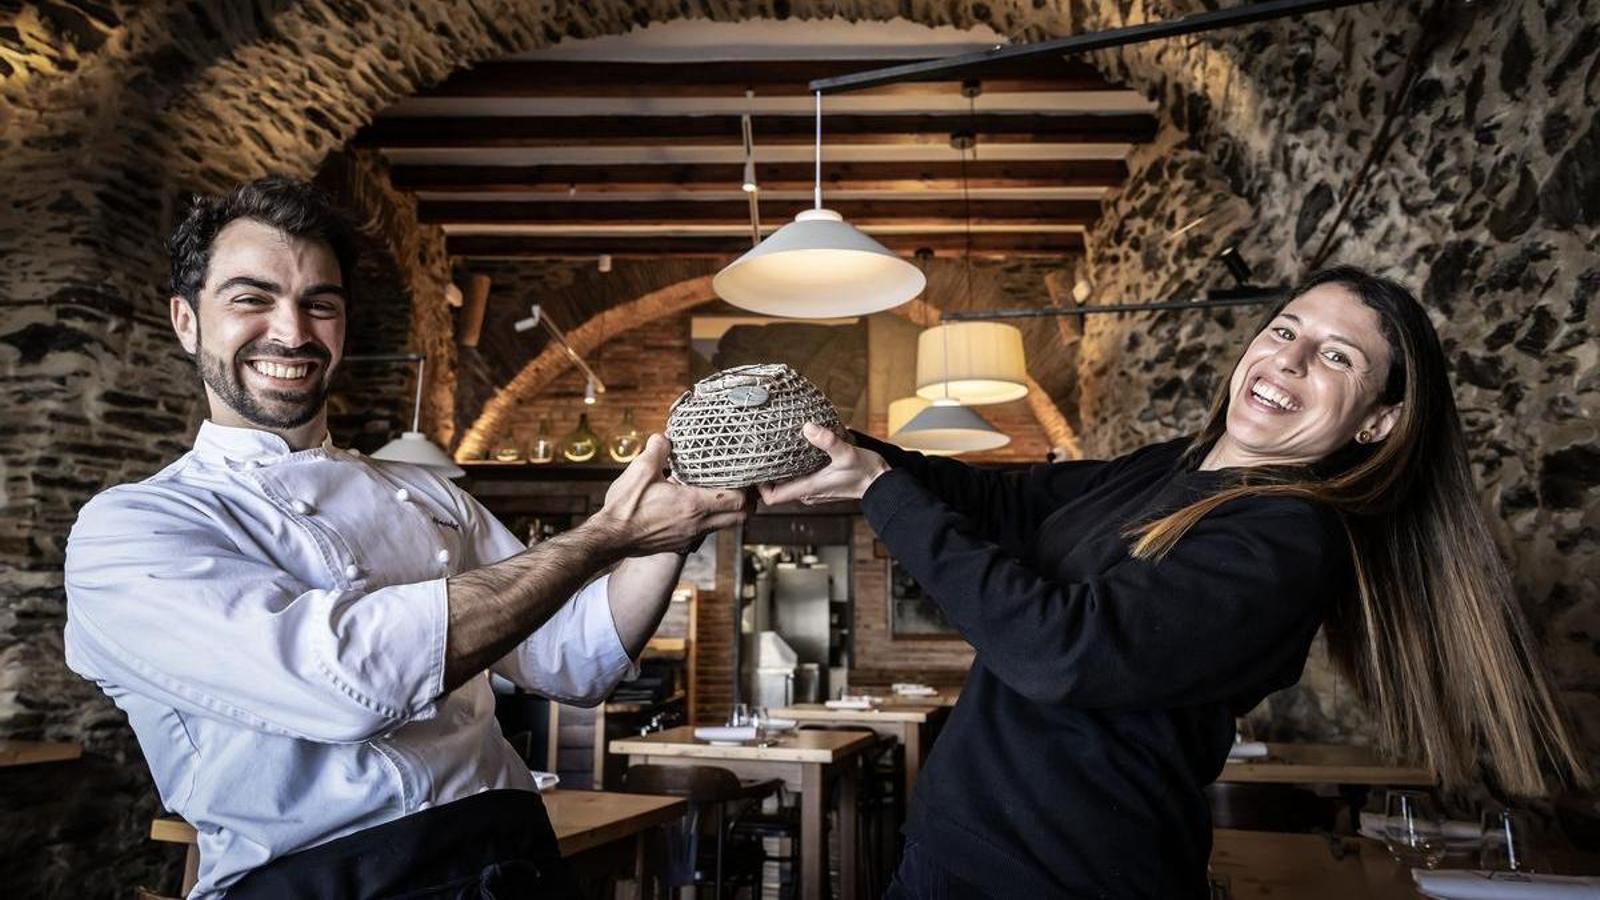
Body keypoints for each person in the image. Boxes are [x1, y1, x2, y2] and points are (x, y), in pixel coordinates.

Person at [761, 266, 1587, 898]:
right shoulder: (1170, 467)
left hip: (1068, 875)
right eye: (1285, 329)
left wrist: (881, 491)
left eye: (1336, 356)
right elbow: (1000, 500)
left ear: (1379, 420)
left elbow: (1063, 652)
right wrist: (832, 450)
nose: (1289, 358)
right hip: (953, 850)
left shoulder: (1289, 537)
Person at [63, 177, 750, 899]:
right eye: (251, 299)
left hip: (511, 860)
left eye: (319, 304)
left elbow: (575, 659)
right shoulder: (133, 529)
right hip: (323, 883)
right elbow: (347, 683)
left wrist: (678, 523)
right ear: (186, 321)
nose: (292, 332)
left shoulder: (428, 493)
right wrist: (605, 536)